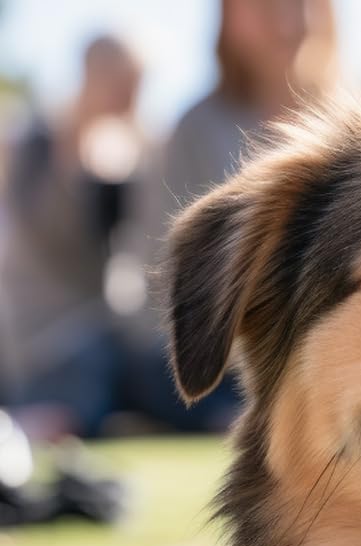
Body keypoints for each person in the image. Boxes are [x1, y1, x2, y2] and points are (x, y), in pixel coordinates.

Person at [131, 0, 338, 432]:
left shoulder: (353, 120)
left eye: (302, 5)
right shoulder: (196, 127)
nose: (288, 21)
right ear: (230, 21)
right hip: (224, 356)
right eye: (266, 8)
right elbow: (162, 265)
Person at [0, 35, 146, 439]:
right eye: (123, 82)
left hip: (101, 330)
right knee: (74, 412)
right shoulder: (28, 144)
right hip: (44, 337)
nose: (130, 97)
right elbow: (46, 231)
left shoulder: (127, 153)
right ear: (92, 74)